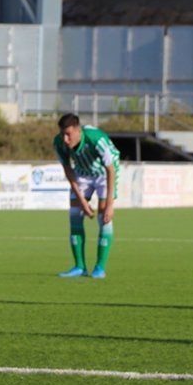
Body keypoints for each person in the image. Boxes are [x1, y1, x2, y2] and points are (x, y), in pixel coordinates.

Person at [53, 114, 119, 279]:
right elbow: (68, 170)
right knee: (74, 215)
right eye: (63, 134)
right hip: (82, 174)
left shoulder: (96, 139)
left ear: (78, 130)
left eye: (69, 134)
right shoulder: (59, 142)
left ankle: (99, 267)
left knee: (104, 216)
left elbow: (111, 170)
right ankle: (79, 267)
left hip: (104, 173)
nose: (65, 139)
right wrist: (82, 202)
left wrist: (110, 205)